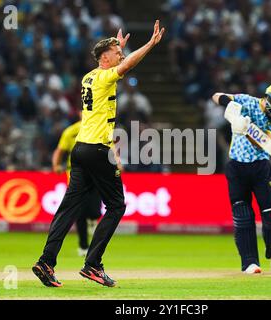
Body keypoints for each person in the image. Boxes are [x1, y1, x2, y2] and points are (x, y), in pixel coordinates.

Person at [32, 21, 165, 287]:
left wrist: (118, 48)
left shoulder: (88, 77)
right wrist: (149, 45)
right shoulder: (105, 76)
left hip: (80, 150)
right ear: (106, 58)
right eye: (117, 53)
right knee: (117, 206)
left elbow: (118, 63)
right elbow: (126, 67)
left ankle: (46, 262)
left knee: (68, 208)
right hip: (96, 150)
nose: (121, 56)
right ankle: (93, 265)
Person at [212, 81, 271, 274]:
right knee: (243, 215)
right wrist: (232, 113)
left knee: (270, 211)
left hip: (260, 168)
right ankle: (250, 263)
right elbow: (216, 96)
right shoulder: (248, 102)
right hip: (236, 167)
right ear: (268, 99)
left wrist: (245, 127)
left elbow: (262, 143)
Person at [51, 116, 102, 257]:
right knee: (80, 211)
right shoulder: (71, 131)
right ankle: (83, 246)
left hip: (96, 171)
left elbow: (110, 148)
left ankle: (93, 219)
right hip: (76, 174)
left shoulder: (98, 127)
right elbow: (60, 150)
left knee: (94, 210)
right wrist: (56, 165)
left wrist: (116, 162)